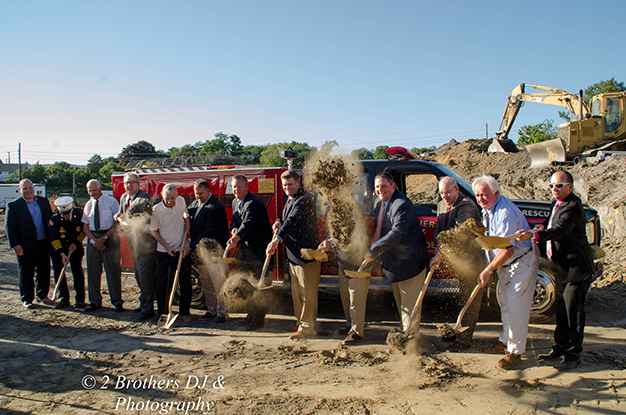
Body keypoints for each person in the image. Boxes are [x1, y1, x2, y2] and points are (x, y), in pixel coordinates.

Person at [517, 170, 594, 371]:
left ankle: (573, 354)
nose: (554, 189)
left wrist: (533, 236)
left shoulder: (574, 207)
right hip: (561, 267)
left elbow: (560, 230)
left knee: (573, 312)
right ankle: (559, 348)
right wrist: (540, 229)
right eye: (551, 186)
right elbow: (550, 225)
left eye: (559, 186)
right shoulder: (556, 204)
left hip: (575, 268)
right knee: (561, 310)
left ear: (570, 186)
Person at [473, 175, 539, 370]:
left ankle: (515, 352)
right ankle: (505, 341)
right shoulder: (488, 209)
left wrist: (488, 270)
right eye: (477, 195)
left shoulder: (505, 213)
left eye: (484, 194)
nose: (480, 199)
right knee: (506, 303)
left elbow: (507, 249)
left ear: (496, 193)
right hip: (505, 264)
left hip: (520, 263)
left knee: (516, 306)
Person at [363, 172, 429, 336]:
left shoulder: (401, 204)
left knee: (409, 307)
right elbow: (380, 230)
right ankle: (406, 336)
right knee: (403, 305)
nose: (380, 190)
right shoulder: (380, 203)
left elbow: (397, 232)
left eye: (384, 186)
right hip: (395, 263)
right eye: (377, 187)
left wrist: (373, 250)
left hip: (409, 264)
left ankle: (411, 345)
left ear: (393, 186)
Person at [266, 170, 320, 339]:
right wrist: (278, 221)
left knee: (307, 293)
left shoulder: (304, 199)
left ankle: (307, 327)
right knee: (297, 292)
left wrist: (277, 239)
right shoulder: (289, 199)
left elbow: (292, 220)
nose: (287, 188)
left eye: (290, 184)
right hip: (293, 254)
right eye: (284, 185)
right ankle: (300, 322)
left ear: (298, 183)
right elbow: (285, 218)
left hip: (306, 255)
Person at [433, 176, 482, 352]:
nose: (444, 195)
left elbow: (460, 235)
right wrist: (439, 244)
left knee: (470, 300)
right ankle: (459, 331)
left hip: (471, 262)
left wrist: (443, 248)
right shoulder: (441, 205)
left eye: (447, 192)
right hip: (457, 260)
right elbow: (439, 230)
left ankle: (464, 340)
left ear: (456, 189)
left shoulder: (466, 207)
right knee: (463, 298)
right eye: (441, 192)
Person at [228, 174, 273, 330]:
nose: (236, 189)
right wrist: (234, 228)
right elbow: (235, 220)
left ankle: (258, 320)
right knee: (248, 285)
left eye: (239, 187)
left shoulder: (253, 203)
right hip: (247, 252)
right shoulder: (236, 201)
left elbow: (248, 223)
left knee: (259, 285)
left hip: (260, 252)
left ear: (247, 187)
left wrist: (236, 237)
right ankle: (250, 315)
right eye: (234, 187)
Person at [114, 172, 157, 322]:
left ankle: (147, 309)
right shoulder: (124, 198)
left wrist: (123, 222)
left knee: (145, 276)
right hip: (133, 242)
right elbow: (121, 213)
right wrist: (118, 216)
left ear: (139, 184)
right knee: (139, 274)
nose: (128, 185)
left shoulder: (143, 198)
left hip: (146, 244)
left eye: (131, 182)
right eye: (126, 183)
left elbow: (139, 220)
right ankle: (144, 302)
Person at [5, 179, 54, 308]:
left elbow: (51, 220)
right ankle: (27, 298)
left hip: (43, 243)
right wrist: (15, 245)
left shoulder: (43, 202)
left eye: (30, 188)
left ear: (34, 188)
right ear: (20, 190)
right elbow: (10, 227)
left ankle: (42, 295)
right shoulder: (14, 206)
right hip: (25, 246)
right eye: (25, 189)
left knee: (43, 271)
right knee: (26, 273)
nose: (28, 191)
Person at [187, 179, 229, 323]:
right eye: (196, 193)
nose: (198, 196)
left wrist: (190, 246)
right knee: (205, 281)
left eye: (201, 193)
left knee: (218, 283)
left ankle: (222, 312)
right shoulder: (194, 204)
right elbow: (188, 216)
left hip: (214, 252)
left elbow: (206, 232)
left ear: (208, 191)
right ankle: (211, 309)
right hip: (201, 253)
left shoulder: (214, 207)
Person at [149, 184, 192, 323]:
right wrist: (167, 247)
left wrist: (187, 220)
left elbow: (185, 212)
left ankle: (185, 312)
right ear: (162, 195)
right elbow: (154, 231)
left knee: (185, 282)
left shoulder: (181, 201)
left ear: (177, 195)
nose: (170, 201)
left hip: (181, 249)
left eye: (172, 198)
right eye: (167, 198)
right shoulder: (156, 210)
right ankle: (164, 312)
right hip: (164, 252)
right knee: (163, 283)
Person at [82, 179, 123, 312]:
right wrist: (94, 241)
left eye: (94, 190)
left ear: (100, 188)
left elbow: (117, 224)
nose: (92, 193)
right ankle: (94, 301)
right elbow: (85, 227)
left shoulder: (111, 202)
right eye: (89, 190)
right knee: (93, 272)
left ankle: (117, 301)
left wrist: (104, 238)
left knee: (113, 271)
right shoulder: (88, 205)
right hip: (93, 240)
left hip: (110, 238)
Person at [49, 196, 87, 309]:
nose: (65, 215)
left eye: (67, 213)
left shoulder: (79, 214)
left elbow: (84, 230)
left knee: (77, 272)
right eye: (63, 213)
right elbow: (54, 238)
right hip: (59, 249)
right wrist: (62, 254)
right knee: (58, 272)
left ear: (71, 209)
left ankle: (80, 300)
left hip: (75, 248)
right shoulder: (54, 219)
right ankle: (63, 298)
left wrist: (76, 243)